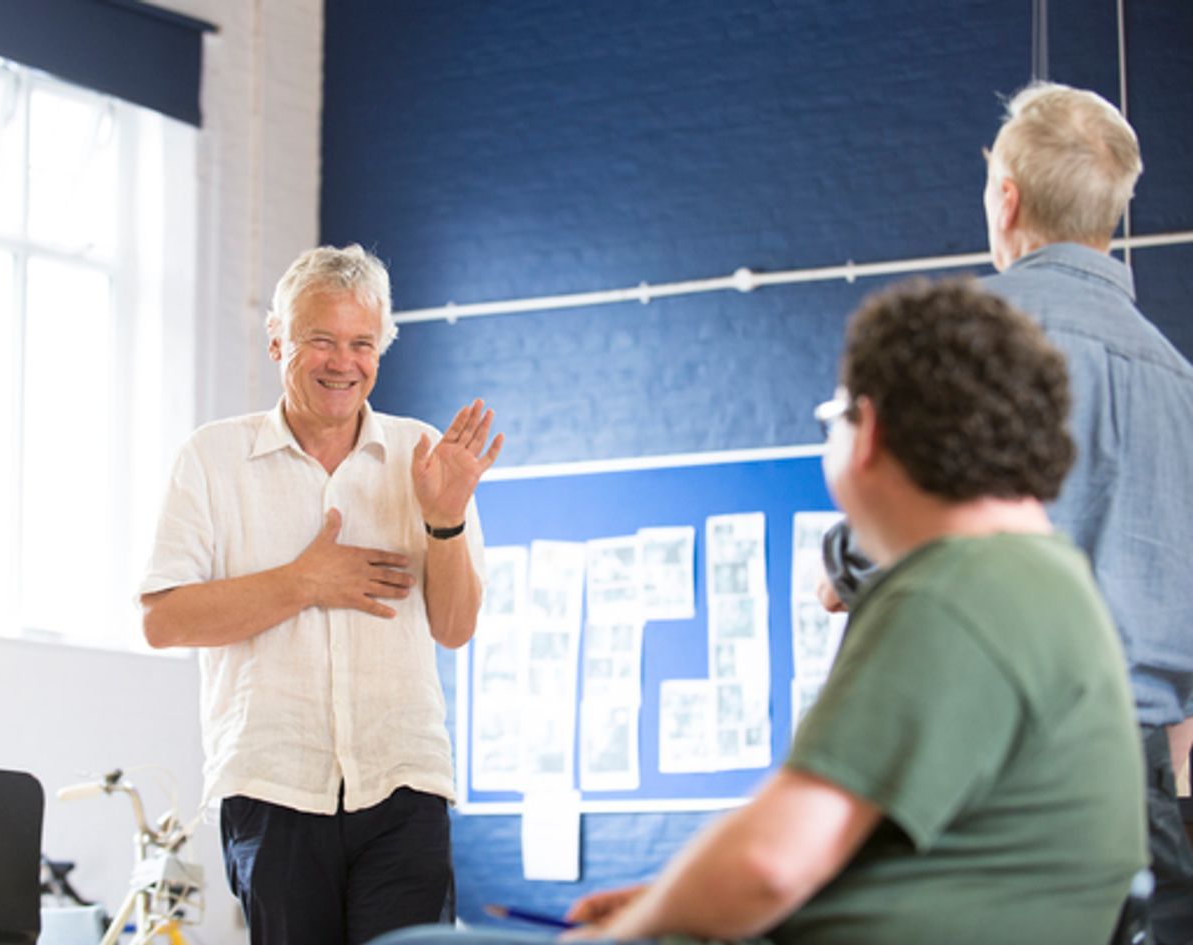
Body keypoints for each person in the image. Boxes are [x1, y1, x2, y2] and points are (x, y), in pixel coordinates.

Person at [373, 279, 1147, 945]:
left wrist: (636, 927)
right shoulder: (1048, 581)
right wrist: (665, 901)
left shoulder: (951, 592)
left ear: (868, 428)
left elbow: (771, 860)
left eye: (833, 417)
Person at [820, 80, 1193, 942]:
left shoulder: (964, 338)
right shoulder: (1180, 385)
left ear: (1006, 195)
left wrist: (839, 562)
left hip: (968, 771)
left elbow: (898, 535)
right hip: (1132, 795)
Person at [138, 244, 504, 945]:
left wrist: (445, 518)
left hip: (403, 779)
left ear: (381, 349)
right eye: (321, 340)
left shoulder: (423, 454)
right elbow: (163, 619)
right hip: (273, 784)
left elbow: (455, 627)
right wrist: (305, 580)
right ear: (278, 339)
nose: (344, 362)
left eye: (362, 343)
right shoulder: (212, 459)